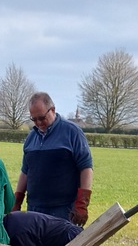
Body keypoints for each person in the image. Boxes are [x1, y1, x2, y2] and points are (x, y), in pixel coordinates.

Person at [13, 92, 93, 226]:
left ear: (53, 110)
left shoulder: (72, 132)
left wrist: (81, 203)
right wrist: (17, 201)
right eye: (34, 119)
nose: (38, 123)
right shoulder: (31, 138)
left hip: (64, 209)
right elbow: (26, 171)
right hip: (35, 208)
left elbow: (86, 168)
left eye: (42, 118)